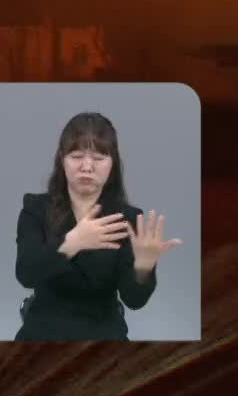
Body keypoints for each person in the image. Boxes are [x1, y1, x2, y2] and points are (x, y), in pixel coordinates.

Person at [13, 111, 182, 340]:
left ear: (112, 164)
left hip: (104, 333)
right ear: (61, 160)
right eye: (76, 156)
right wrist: (71, 244)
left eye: (99, 158)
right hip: (44, 329)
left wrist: (144, 266)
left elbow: (134, 301)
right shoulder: (36, 209)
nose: (87, 167)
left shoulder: (128, 218)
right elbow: (26, 274)